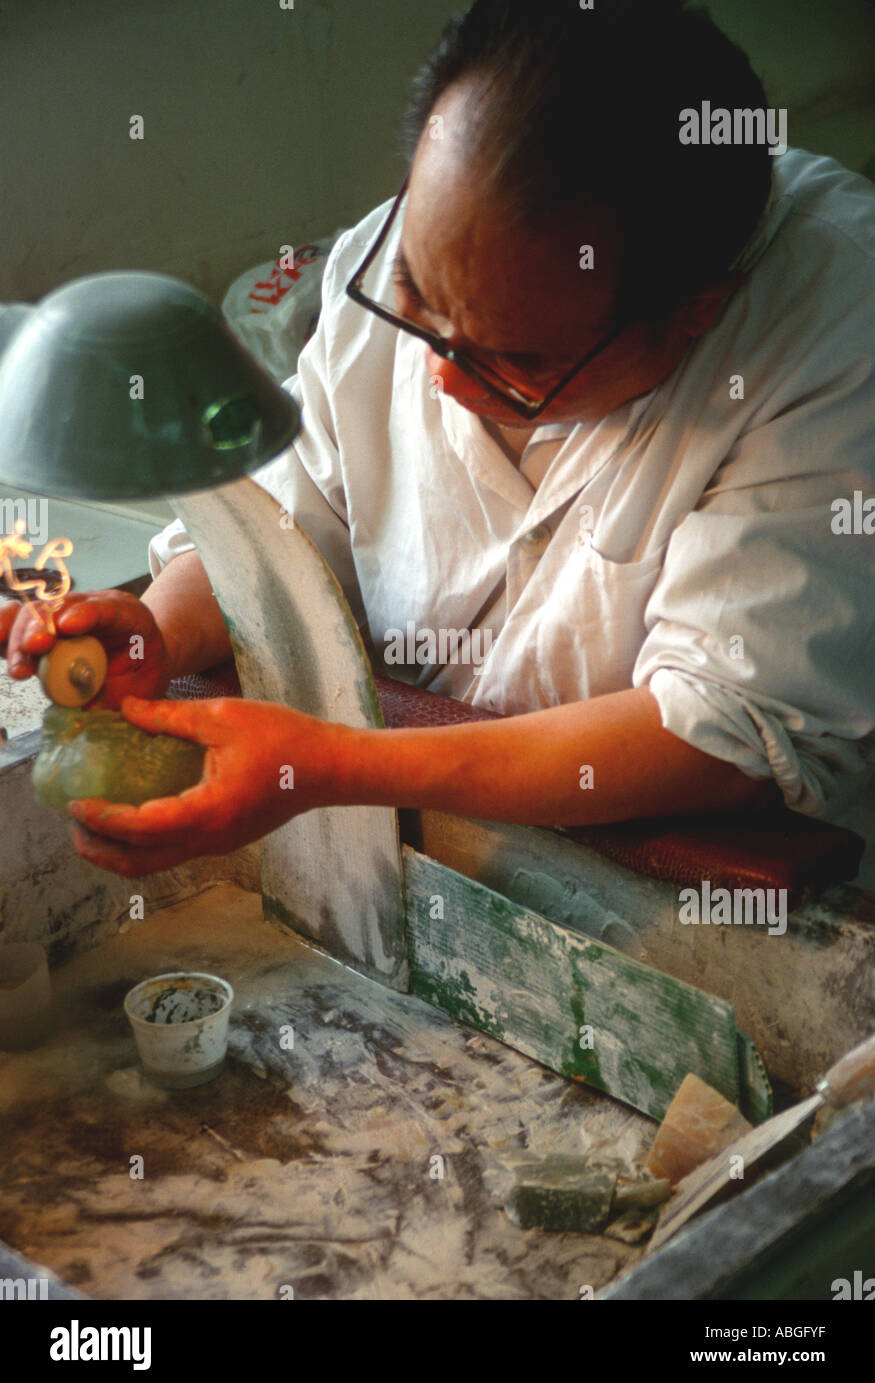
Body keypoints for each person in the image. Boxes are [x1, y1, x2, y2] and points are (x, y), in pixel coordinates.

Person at [2, 0, 873, 880]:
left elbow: (721, 734)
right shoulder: (407, 248)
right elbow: (294, 518)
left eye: (515, 361)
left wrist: (329, 767)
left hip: (694, 877)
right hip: (419, 814)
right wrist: (158, 632)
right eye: (416, 305)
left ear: (693, 316)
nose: (441, 379)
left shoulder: (835, 329)